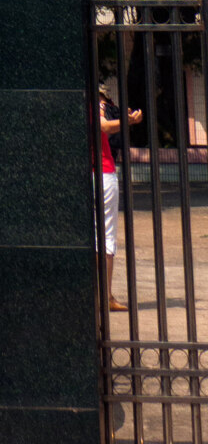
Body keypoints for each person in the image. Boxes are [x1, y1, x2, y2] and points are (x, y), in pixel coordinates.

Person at [99, 88, 142, 310]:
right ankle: (105, 297)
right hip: (103, 173)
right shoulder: (97, 106)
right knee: (106, 237)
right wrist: (126, 121)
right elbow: (103, 126)